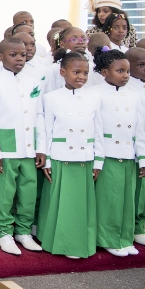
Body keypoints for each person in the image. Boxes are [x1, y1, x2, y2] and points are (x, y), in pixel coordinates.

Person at [0, 38, 44, 256]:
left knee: (28, 192)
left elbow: (39, 115)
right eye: (13, 54)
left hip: (29, 148)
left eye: (23, 55)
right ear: (0, 57)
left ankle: (24, 231)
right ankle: (4, 232)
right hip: (5, 148)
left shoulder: (34, 82)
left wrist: (41, 147)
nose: (19, 58)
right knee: (4, 193)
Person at [38, 51, 102, 259]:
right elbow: (47, 131)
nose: (81, 77)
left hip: (84, 157)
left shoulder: (93, 97)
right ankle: (57, 241)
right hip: (60, 157)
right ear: (63, 72)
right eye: (76, 72)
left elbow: (98, 130)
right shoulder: (51, 98)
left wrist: (98, 160)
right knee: (60, 203)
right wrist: (46, 159)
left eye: (85, 73)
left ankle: (78, 242)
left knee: (79, 205)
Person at [90, 48, 142, 257]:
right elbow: (96, 129)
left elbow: (139, 128)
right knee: (109, 200)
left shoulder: (135, 96)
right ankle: (108, 238)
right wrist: (98, 159)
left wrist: (142, 156)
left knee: (127, 200)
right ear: (104, 72)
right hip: (108, 154)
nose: (126, 76)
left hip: (128, 154)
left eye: (127, 71)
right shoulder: (94, 94)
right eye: (120, 71)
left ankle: (124, 237)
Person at [127, 47, 145, 246]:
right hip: (135, 146)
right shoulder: (129, 90)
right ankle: (137, 226)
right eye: (141, 65)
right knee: (137, 192)